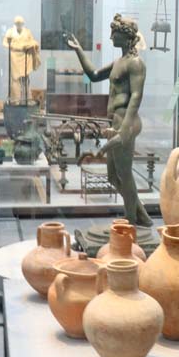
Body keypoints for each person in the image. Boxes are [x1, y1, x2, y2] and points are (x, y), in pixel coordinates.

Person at [66, 14, 151, 227]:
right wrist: (78, 50)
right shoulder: (119, 62)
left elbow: (136, 96)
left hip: (126, 121)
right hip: (116, 121)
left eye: (115, 33)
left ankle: (131, 222)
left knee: (124, 173)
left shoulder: (135, 63)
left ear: (127, 36)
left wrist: (124, 128)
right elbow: (93, 75)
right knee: (114, 177)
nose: (111, 36)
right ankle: (142, 215)